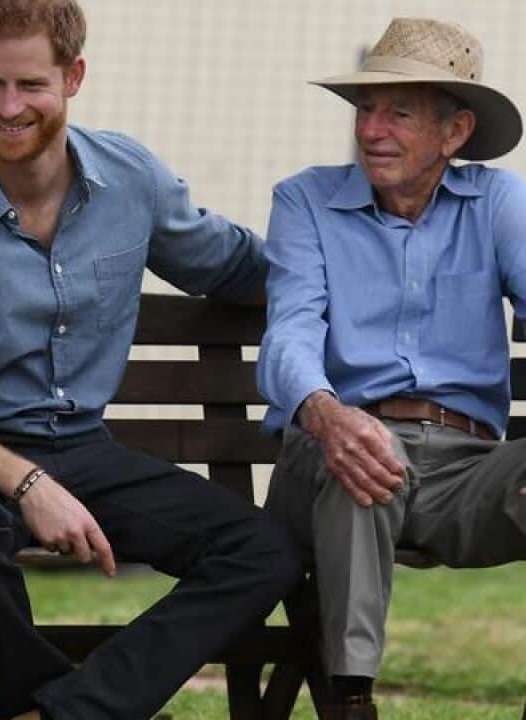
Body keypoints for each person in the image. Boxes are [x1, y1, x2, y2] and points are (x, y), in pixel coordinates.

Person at [0, 1, 305, 718]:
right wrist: (28, 482)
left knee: (264, 553)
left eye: (31, 85)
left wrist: (349, 266)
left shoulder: (130, 180)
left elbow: (231, 266)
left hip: (87, 454)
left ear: (73, 76)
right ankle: (45, 694)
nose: (9, 107)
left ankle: (66, 710)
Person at [258, 17, 526, 720]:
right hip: (332, 454)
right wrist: (327, 411)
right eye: (365, 110)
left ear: (455, 133)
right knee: (363, 459)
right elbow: (288, 333)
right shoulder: (305, 201)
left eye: (398, 112)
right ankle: (352, 702)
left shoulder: (499, 202)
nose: (372, 129)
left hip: (466, 469)